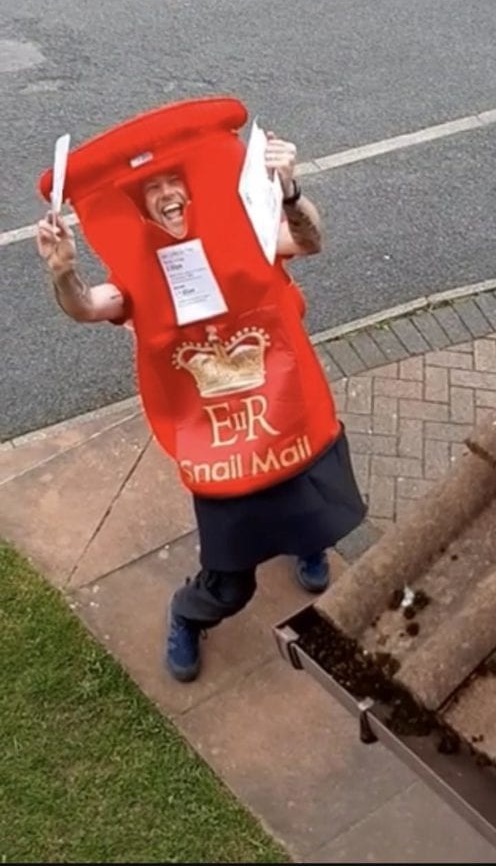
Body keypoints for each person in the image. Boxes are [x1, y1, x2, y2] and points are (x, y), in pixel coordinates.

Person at [36, 130, 366, 682]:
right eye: (153, 188)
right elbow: (88, 307)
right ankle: (188, 616)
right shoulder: (138, 273)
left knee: (316, 517)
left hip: (291, 419)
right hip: (223, 446)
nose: (167, 194)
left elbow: (308, 240)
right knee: (230, 582)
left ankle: (305, 545)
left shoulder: (246, 234)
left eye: (174, 182)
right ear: (139, 206)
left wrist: (288, 192)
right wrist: (64, 271)